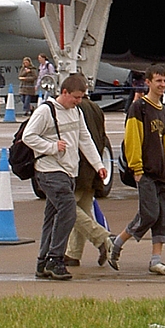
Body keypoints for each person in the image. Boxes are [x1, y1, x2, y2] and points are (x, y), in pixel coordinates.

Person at [22, 74, 107, 281]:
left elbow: (84, 139)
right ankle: (55, 259)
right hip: (49, 171)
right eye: (76, 97)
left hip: (69, 172)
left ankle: (43, 262)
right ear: (64, 92)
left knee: (52, 217)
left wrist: (98, 165)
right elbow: (28, 136)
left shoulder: (76, 112)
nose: (79, 101)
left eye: (82, 97)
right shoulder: (46, 111)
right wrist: (52, 147)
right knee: (68, 210)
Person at [108, 66, 165, 275]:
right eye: (158, 81)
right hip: (146, 171)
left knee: (163, 216)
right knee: (149, 213)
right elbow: (132, 139)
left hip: (162, 172)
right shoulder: (138, 108)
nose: (162, 85)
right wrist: (136, 168)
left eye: (164, 81)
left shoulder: (163, 110)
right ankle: (117, 242)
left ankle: (156, 260)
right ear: (147, 82)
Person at [64, 94, 113, 268]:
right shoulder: (96, 109)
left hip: (78, 167)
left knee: (66, 208)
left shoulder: (73, 110)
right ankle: (73, 254)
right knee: (83, 209)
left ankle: (102, 238)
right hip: (94, 165)